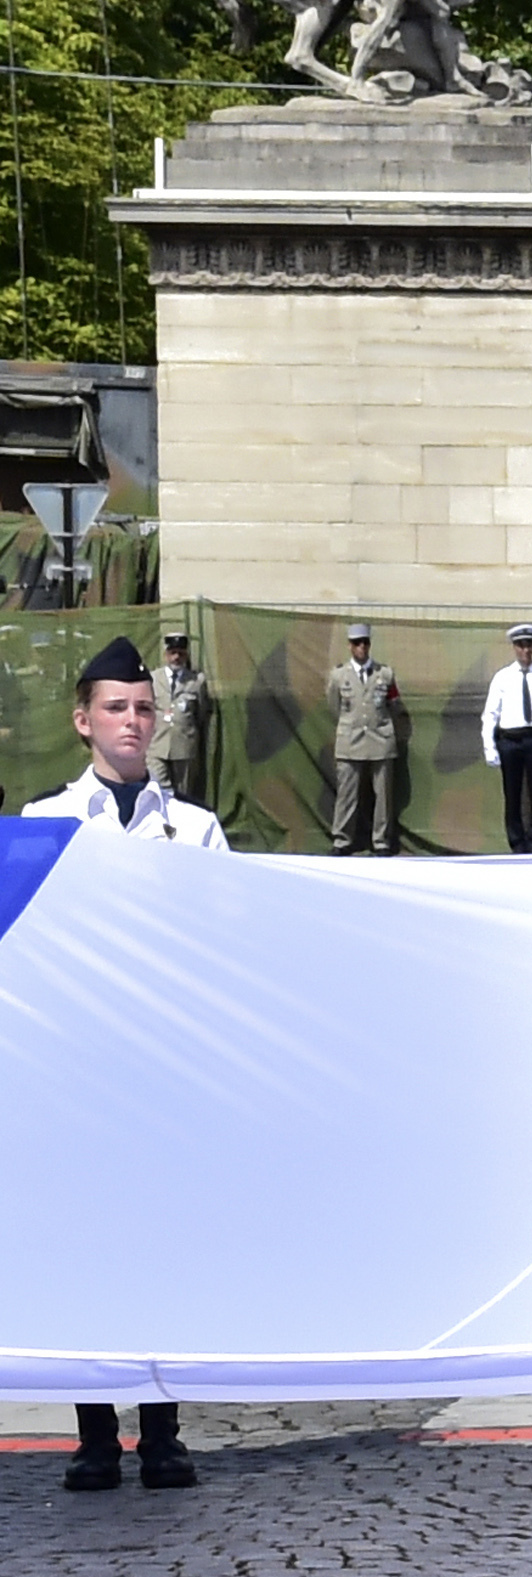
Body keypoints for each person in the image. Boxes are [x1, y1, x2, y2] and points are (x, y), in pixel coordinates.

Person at [25, 634, 228, 1492]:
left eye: (144, 707)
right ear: (83, 720)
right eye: (117, 707)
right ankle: (95, 1435)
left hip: (165, 1074)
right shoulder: (42, 826)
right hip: (78, 1072)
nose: (134, 721)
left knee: (161, 1249)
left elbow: (227, 941)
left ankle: (164, 1430)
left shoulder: (194, 828)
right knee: (87, 1250)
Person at [480, 622, 532, 854]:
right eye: (520, 646)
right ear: (514, 648)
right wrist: (489, 745)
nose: (525, 650)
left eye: (529, 645)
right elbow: (490, 713)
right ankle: (517, 841)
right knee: (512, 793)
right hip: (510, 740)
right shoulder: (502, 677)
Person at [326, 620, 406, 856]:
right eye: (357, 643)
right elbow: (334, 705)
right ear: (350, 646)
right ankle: (342, 840)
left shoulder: (385, 674)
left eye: (365, 642)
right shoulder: (339, 676)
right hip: (350, 741)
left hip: (380, 740)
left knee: (383, 797)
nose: (362, 647)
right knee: (347, 795)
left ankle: (380, 841)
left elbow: (394, 704)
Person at [150, 626, 211, 807]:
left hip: (184, 746)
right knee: (157, 788)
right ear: (165, 654)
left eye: (180, 653)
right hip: (157, 746)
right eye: (172, 652)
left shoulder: (196, 682)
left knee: (182, 795)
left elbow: (201, 713)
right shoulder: (153, 679)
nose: (176, 657)